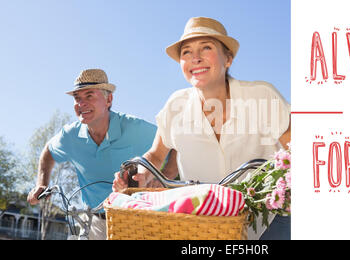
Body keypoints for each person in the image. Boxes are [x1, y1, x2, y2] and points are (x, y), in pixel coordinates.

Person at [112, 17, 291, 239]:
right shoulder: (175, 106)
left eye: (206, 47)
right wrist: (141, 175)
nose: (195, 58)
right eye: (186, 52)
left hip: (269, 216)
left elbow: (294, 150)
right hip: (206, 220)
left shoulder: (262, 96)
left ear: (228, 59)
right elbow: (156, 155)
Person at [27, 69, 166, 240]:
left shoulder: (134, 128)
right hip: (93, 221)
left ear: (109, 99)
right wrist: (41, 184)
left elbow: (170, 139)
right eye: (77, 98)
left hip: (134, 220)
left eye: (89, 96)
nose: (81, 103)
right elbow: (48, 151)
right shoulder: (70, 136)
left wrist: (164, 178)